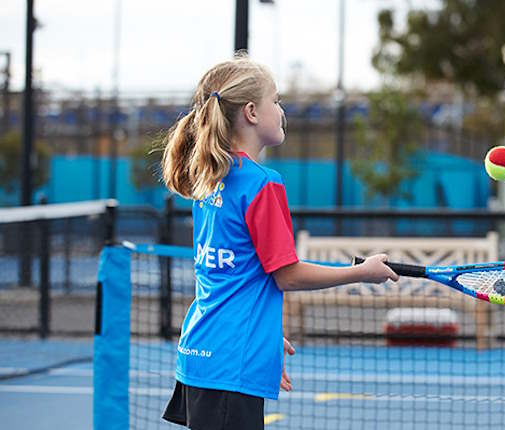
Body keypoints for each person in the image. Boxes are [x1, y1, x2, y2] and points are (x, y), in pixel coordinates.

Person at [159, 54, 399, 430]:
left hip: (201, 355)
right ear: (252, 112)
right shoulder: (262, 183)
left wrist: (263, 334)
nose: (281, 110)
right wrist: (361, 272)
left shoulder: (211, 182)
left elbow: (232, 275)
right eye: (276, 100)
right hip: (230, 362)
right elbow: (286, 275)